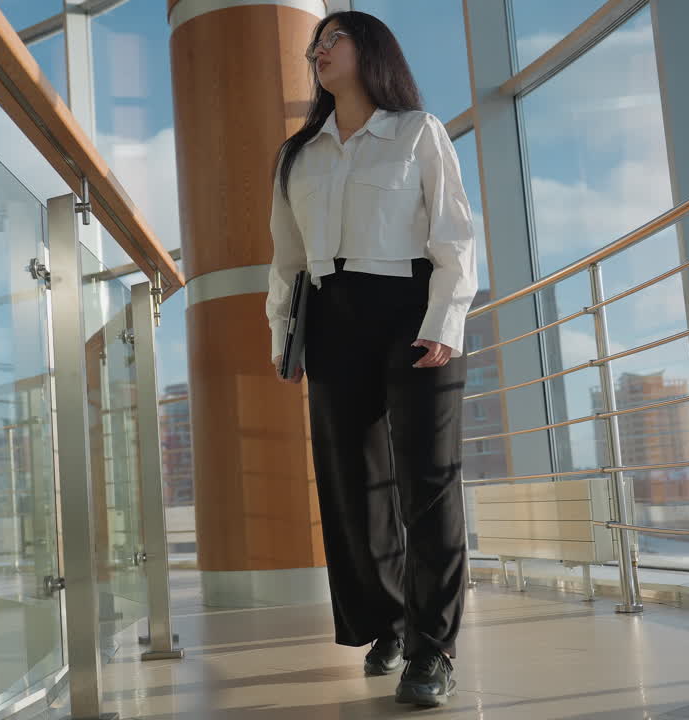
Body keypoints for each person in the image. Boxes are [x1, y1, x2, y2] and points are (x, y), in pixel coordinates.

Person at [264, 10, 477, 709]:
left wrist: (445, 320)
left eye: (335, 39)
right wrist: (281, 335)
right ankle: (386, 623)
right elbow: (286, 260)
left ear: (372, 50)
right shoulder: (298, 155)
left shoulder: (417, 131)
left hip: (412, 305)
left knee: (428, 482)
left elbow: (454, 236)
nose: (319, 51)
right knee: (353, 489)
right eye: (314, 44)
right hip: (330, 315)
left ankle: (432, 649)